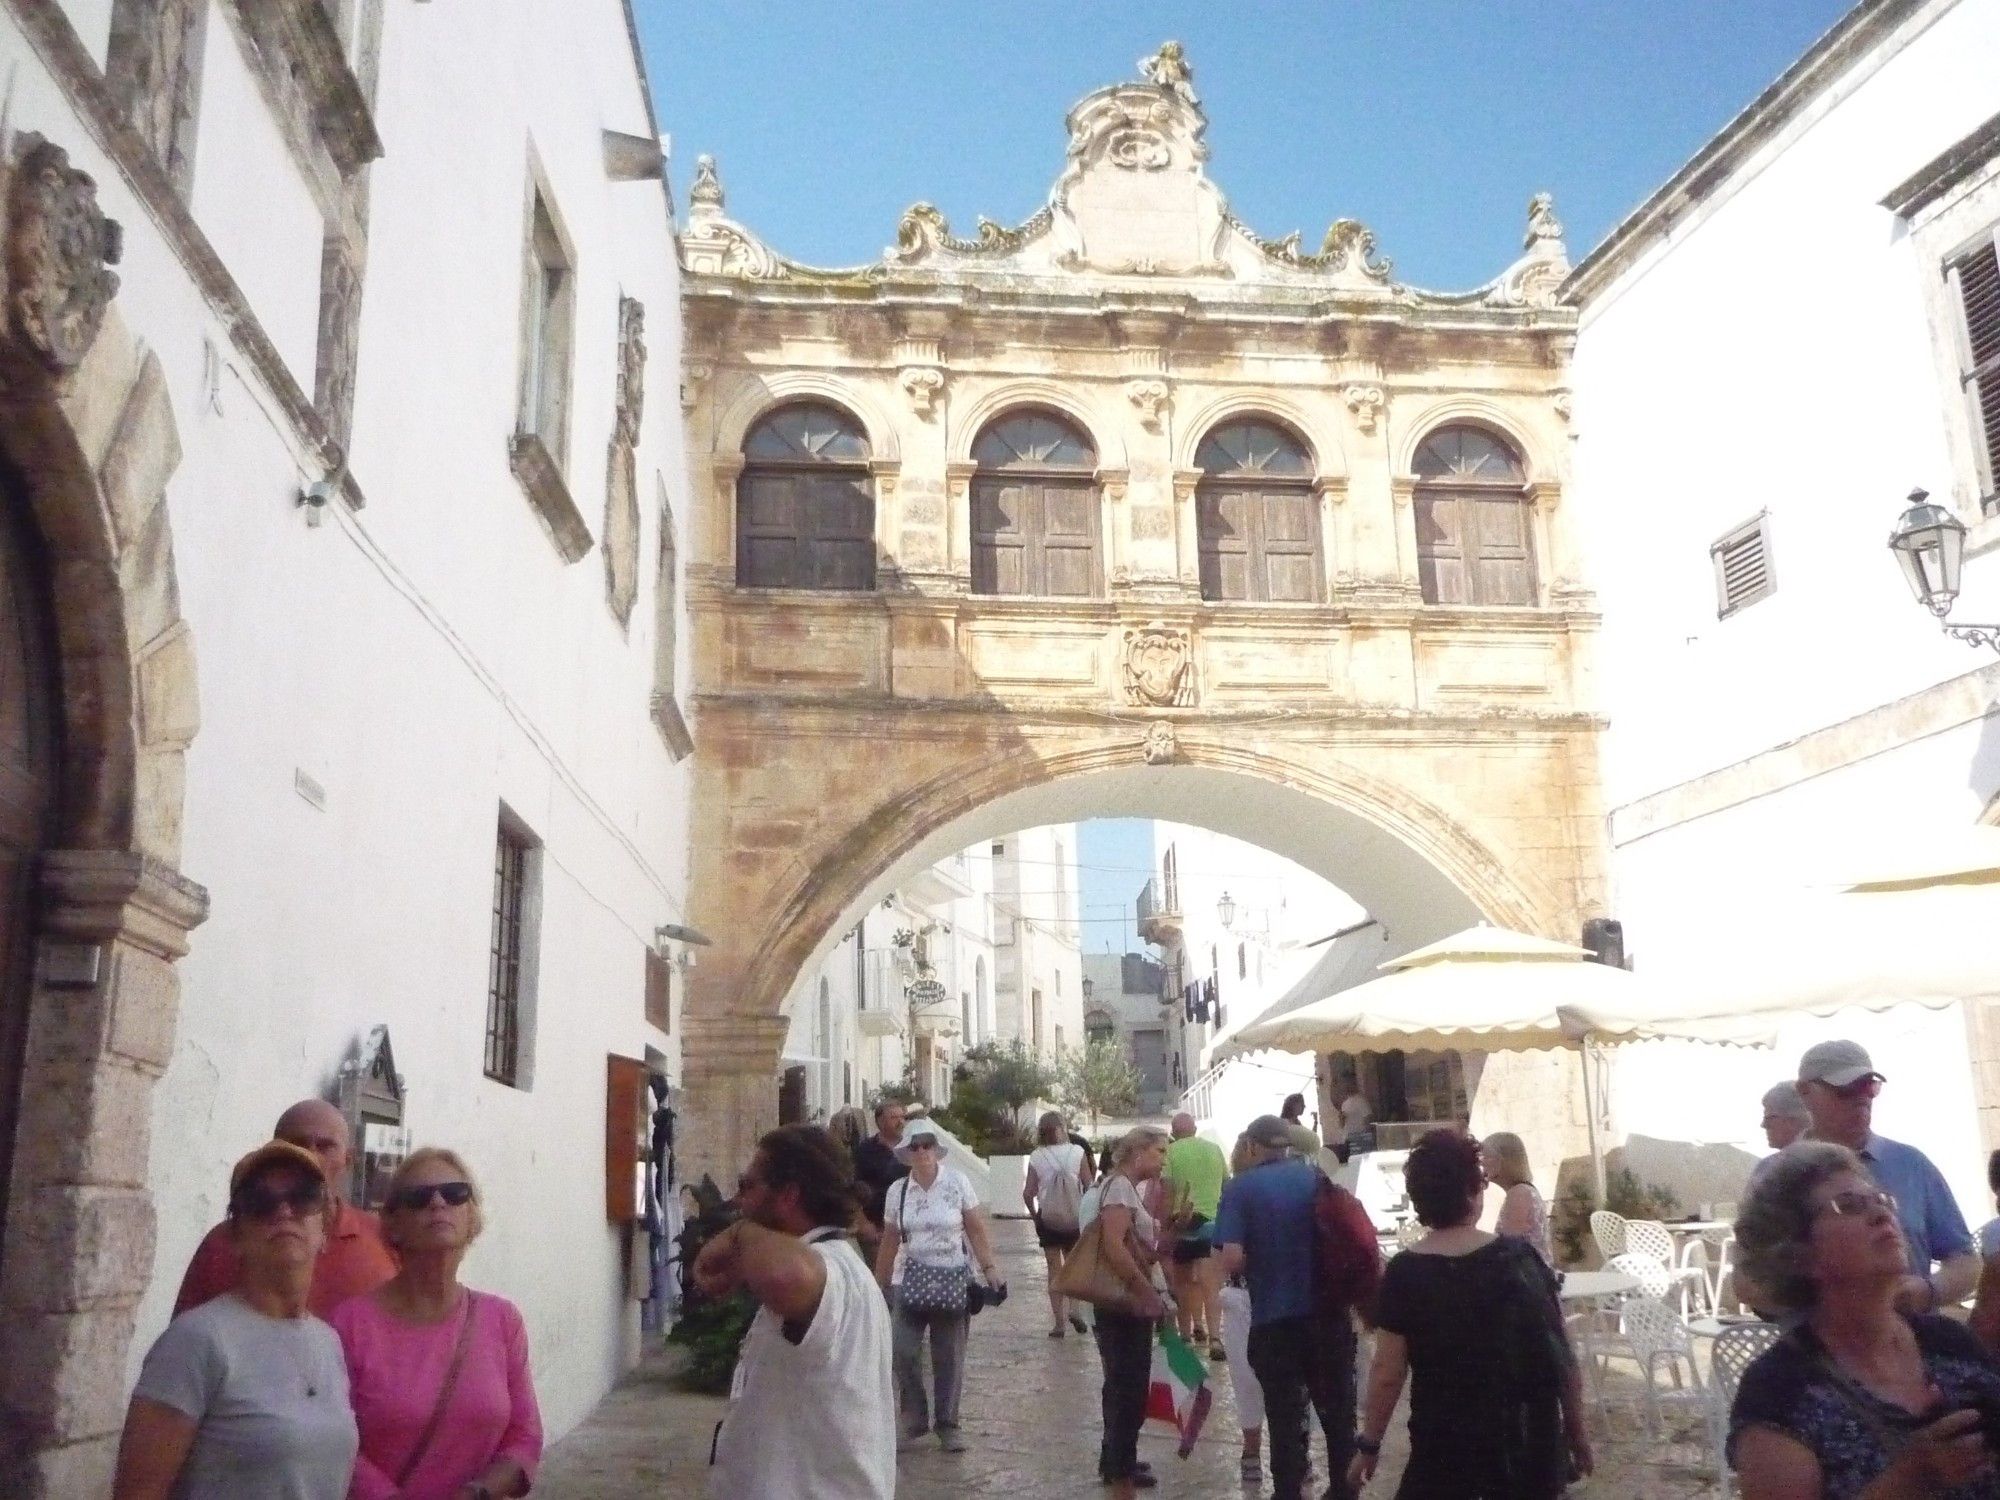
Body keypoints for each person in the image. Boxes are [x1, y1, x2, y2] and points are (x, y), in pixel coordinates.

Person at [1728, 1140, 2000, 1500]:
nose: (1881, 1214)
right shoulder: (1780, 1391)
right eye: (1850, 1206)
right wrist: (1908, 1482)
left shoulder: (1949, 1344)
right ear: (1796, 1253)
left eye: (1882, 1200)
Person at [1351, 1130, 1591, 1500]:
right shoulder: (1521, 1261)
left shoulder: (1405, 1272)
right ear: (1473, 1191)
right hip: (1525, 1445)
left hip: (1446, 1447)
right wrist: (1576, 1434)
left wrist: (1370, 1445)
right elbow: (1559, 1354)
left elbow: (1387, 1372)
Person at [113, 1141, 359, 1500]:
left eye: (303, 1196)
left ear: (324, 1230)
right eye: (260, 1202)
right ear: (235, 1237)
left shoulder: (327, 1342)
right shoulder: (197, 1340)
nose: (284, 1211)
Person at [697, 1124, 894, 1499]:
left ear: (788, 1195)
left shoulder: (831, 1267)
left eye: (747, 1186)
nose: (740, 1200)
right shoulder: (839, 1265)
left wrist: (739, 1235)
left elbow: (786, 1275)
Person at [332, 1147, 541, 1500]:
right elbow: (336, 1443)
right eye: (419, 1197)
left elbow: (525, 1436)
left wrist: (478, 1493)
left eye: (456, 1194)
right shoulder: (350, 1324)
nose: (439, 1203)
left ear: (471, 1215)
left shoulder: (502, 1320)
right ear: (393, 1224)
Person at [1216, 1114, 1359, 1500]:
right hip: (1328, 1317)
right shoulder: (1316, 1179)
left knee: (1283, 1420)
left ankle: (1289, 1493)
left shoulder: (1241, 1188)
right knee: (1338, 1417)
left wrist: (1263, 1258)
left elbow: (1230, 1259)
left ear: (1251, 1146)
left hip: (1274, 1321)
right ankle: (1346, 1492)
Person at [1793, 1040, 1978, 1314]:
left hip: (1915, 1342)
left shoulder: (1911, 1164)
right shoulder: (1778, 1176)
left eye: (1869, 1086)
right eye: (1844, 1089)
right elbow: (1748, 1280)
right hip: (1817, 1350)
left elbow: (1965, 1260)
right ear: (1804, 1092)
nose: (1860, 1097)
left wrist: (1930, 1290)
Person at [175, 1098, 396, 1319]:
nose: (313, 1155)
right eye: (297, 1143)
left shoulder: (383, 1239)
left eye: (325, 1146)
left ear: (348, 1160)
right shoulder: (223, 1243)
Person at [873, 1123, 1002, 1453]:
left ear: (935, 1148)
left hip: (951, 1277)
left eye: (927, 1144)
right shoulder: (898, 1191)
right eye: (914, 1147)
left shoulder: (957, 1183)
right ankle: (915, 1417)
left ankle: (948, 1423)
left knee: (949, 1355)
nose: (921, 1151)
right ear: (906, 1152)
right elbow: (889, 1239)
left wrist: (990, 1270)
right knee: (902, 1351)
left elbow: (975, 1228)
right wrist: (879, 1283)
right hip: (908, 1278)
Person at [1094, 1126, 1171, 1497]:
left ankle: (1117, 1460)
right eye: (1159, 1151)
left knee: (1123, 1385)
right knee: (1129, 1387)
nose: (1163, 1159)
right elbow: (1113, 1244)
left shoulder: (1126, 1189)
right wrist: (1146, 1292)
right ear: (1138, 1153)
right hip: (1124, 1303)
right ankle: (1120, 1472)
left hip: (1127, 1301)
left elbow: (1140, 1247)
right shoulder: (1120, 1188)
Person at [1220, 1133, 1272, 1488]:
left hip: (1245, 1295)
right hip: (1287, 1294)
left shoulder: (1236, 1193)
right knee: (1288, 1378)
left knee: (1246, 1376)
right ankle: (1295, 1453)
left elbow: (1227, 1258)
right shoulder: (1304, 1187)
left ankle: (1251, 1452)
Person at [1163, 1112, 1229, 1357]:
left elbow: (1167, 1191)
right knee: (1210, 1284)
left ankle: (1186, 1336)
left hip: (1182, 1225)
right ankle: (1214, 1338)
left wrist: (1165, 1226)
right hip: (1211, 1223)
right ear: (1195, 1128)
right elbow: (1226, 1184)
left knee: (1183, 1284)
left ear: (1173, 1131)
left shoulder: (1170, 1152)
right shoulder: (1214, 1150)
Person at [1023, 1110, 1094, 1337]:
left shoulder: (1036, 1156)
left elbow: (1028, 1193)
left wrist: (1036, 1216)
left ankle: (1059, 1324)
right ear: (1063, 1127)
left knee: (1054, 1270)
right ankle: (1075, 1309)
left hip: (1049, 1220)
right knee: (1074, 1266)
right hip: (1074, 1218)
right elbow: (1089, 1185)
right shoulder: (1077, 1151)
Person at [1481, 1132, 1552, 1265]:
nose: (1481, 1162)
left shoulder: (1518, 1194)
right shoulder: (1523, 1191)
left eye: (1485, 1156)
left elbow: (1511, 1244)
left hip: (1529, 1278)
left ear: (1501, 1160)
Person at [853, 1099, 909, 1231]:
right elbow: (852, 1190)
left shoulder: (913, 1148)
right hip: (877, 1229)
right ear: (880, 1122)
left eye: (902, 1117)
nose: (900, 1122)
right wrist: (864, 1224)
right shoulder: (865, 1151)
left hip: (909, 1228)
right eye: (894, 1118)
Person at [1339, 1080, 1377, 1158]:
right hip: (1348, 1138)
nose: (1346, 1087)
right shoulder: (1344, 1104)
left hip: (1359, 1138)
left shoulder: (1361, 1101)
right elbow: (1342, 1124)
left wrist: (1364, 1135)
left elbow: (1368, 1117)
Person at [1280, 1092, 1322, 1158]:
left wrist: (1315, 1122)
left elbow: (1309, 1138)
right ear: (1293, 1105)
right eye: (1301, 1104)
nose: (1304, 1106)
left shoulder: (1297, 1122)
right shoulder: (1285, 1124)